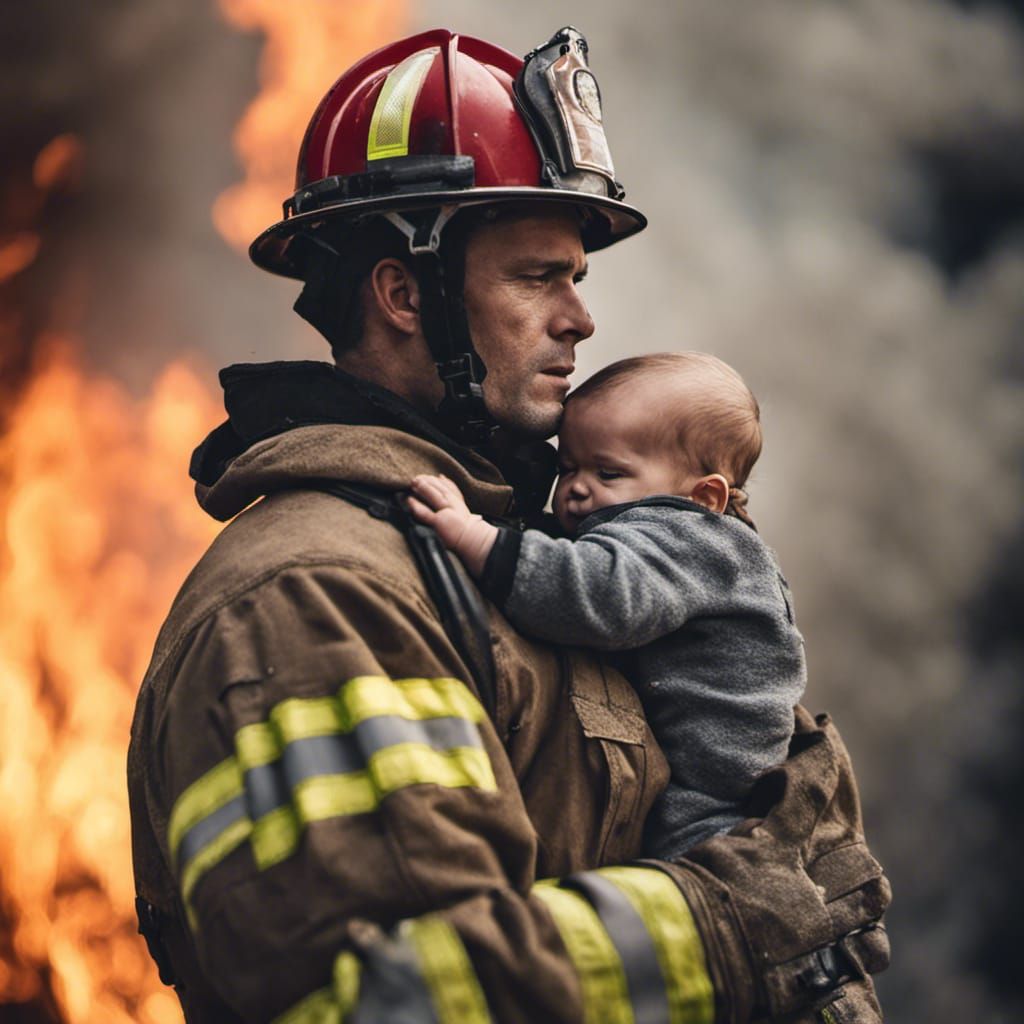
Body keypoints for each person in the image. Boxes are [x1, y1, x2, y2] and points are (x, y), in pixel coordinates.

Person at [127, 27, 890, 1024]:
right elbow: (399, 996)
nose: (579, 318)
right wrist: (733, 928)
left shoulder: (529, 547)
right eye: (536, 277)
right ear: (406, 295)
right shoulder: (315, 594)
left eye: (577, 278)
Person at [407, 351, 807, 858]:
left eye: (609, 473)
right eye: (568, 467)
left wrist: (478, 539)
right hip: (707, 776)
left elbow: (600, 594)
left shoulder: (687, 538)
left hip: (711, 798)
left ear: (705, 498)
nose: (576, 489)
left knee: (693, 877)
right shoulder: (684, 532)